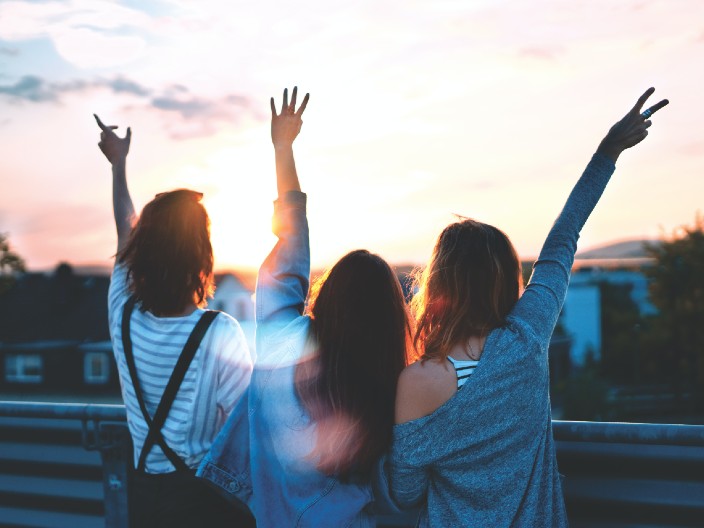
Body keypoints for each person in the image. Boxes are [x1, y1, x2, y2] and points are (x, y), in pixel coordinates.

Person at [389, 88, 669, 527]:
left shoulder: (416, 381)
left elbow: (405, 496)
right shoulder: (527, 337)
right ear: (504, 279)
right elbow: (563, 239)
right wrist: (607, 151)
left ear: (439, 282)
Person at [199, 87, 413, 527]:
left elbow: (290, 250)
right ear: (389, 318)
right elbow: (399, 490)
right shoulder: (389, 382)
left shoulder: (284, 343)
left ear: (329, 294)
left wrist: (282, 148)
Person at [95, 114, 255, 527]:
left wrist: (118, 165)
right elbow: (246, 429)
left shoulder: (122, 313)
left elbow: (124, 233)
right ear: (201, 256)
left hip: (143, 498)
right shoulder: (220, 333)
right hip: (205, 504)